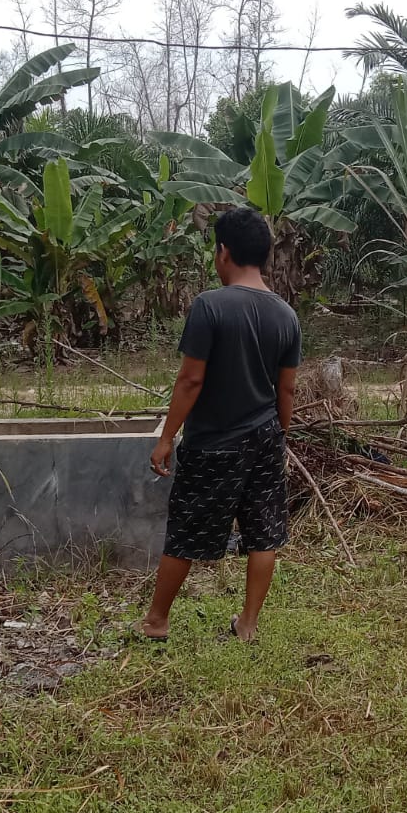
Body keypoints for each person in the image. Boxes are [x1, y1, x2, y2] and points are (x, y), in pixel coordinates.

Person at [140, 208, 301, 643]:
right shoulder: (286, 315)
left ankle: (156, 621)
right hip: (266, 435)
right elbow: (286, 390)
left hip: (213, 442)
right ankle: (247, 626)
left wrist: (167, 437)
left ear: (223, 252)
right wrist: (278, 435)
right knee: (263, 532)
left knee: (186, 531)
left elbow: (191, 379)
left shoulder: (210, 306)